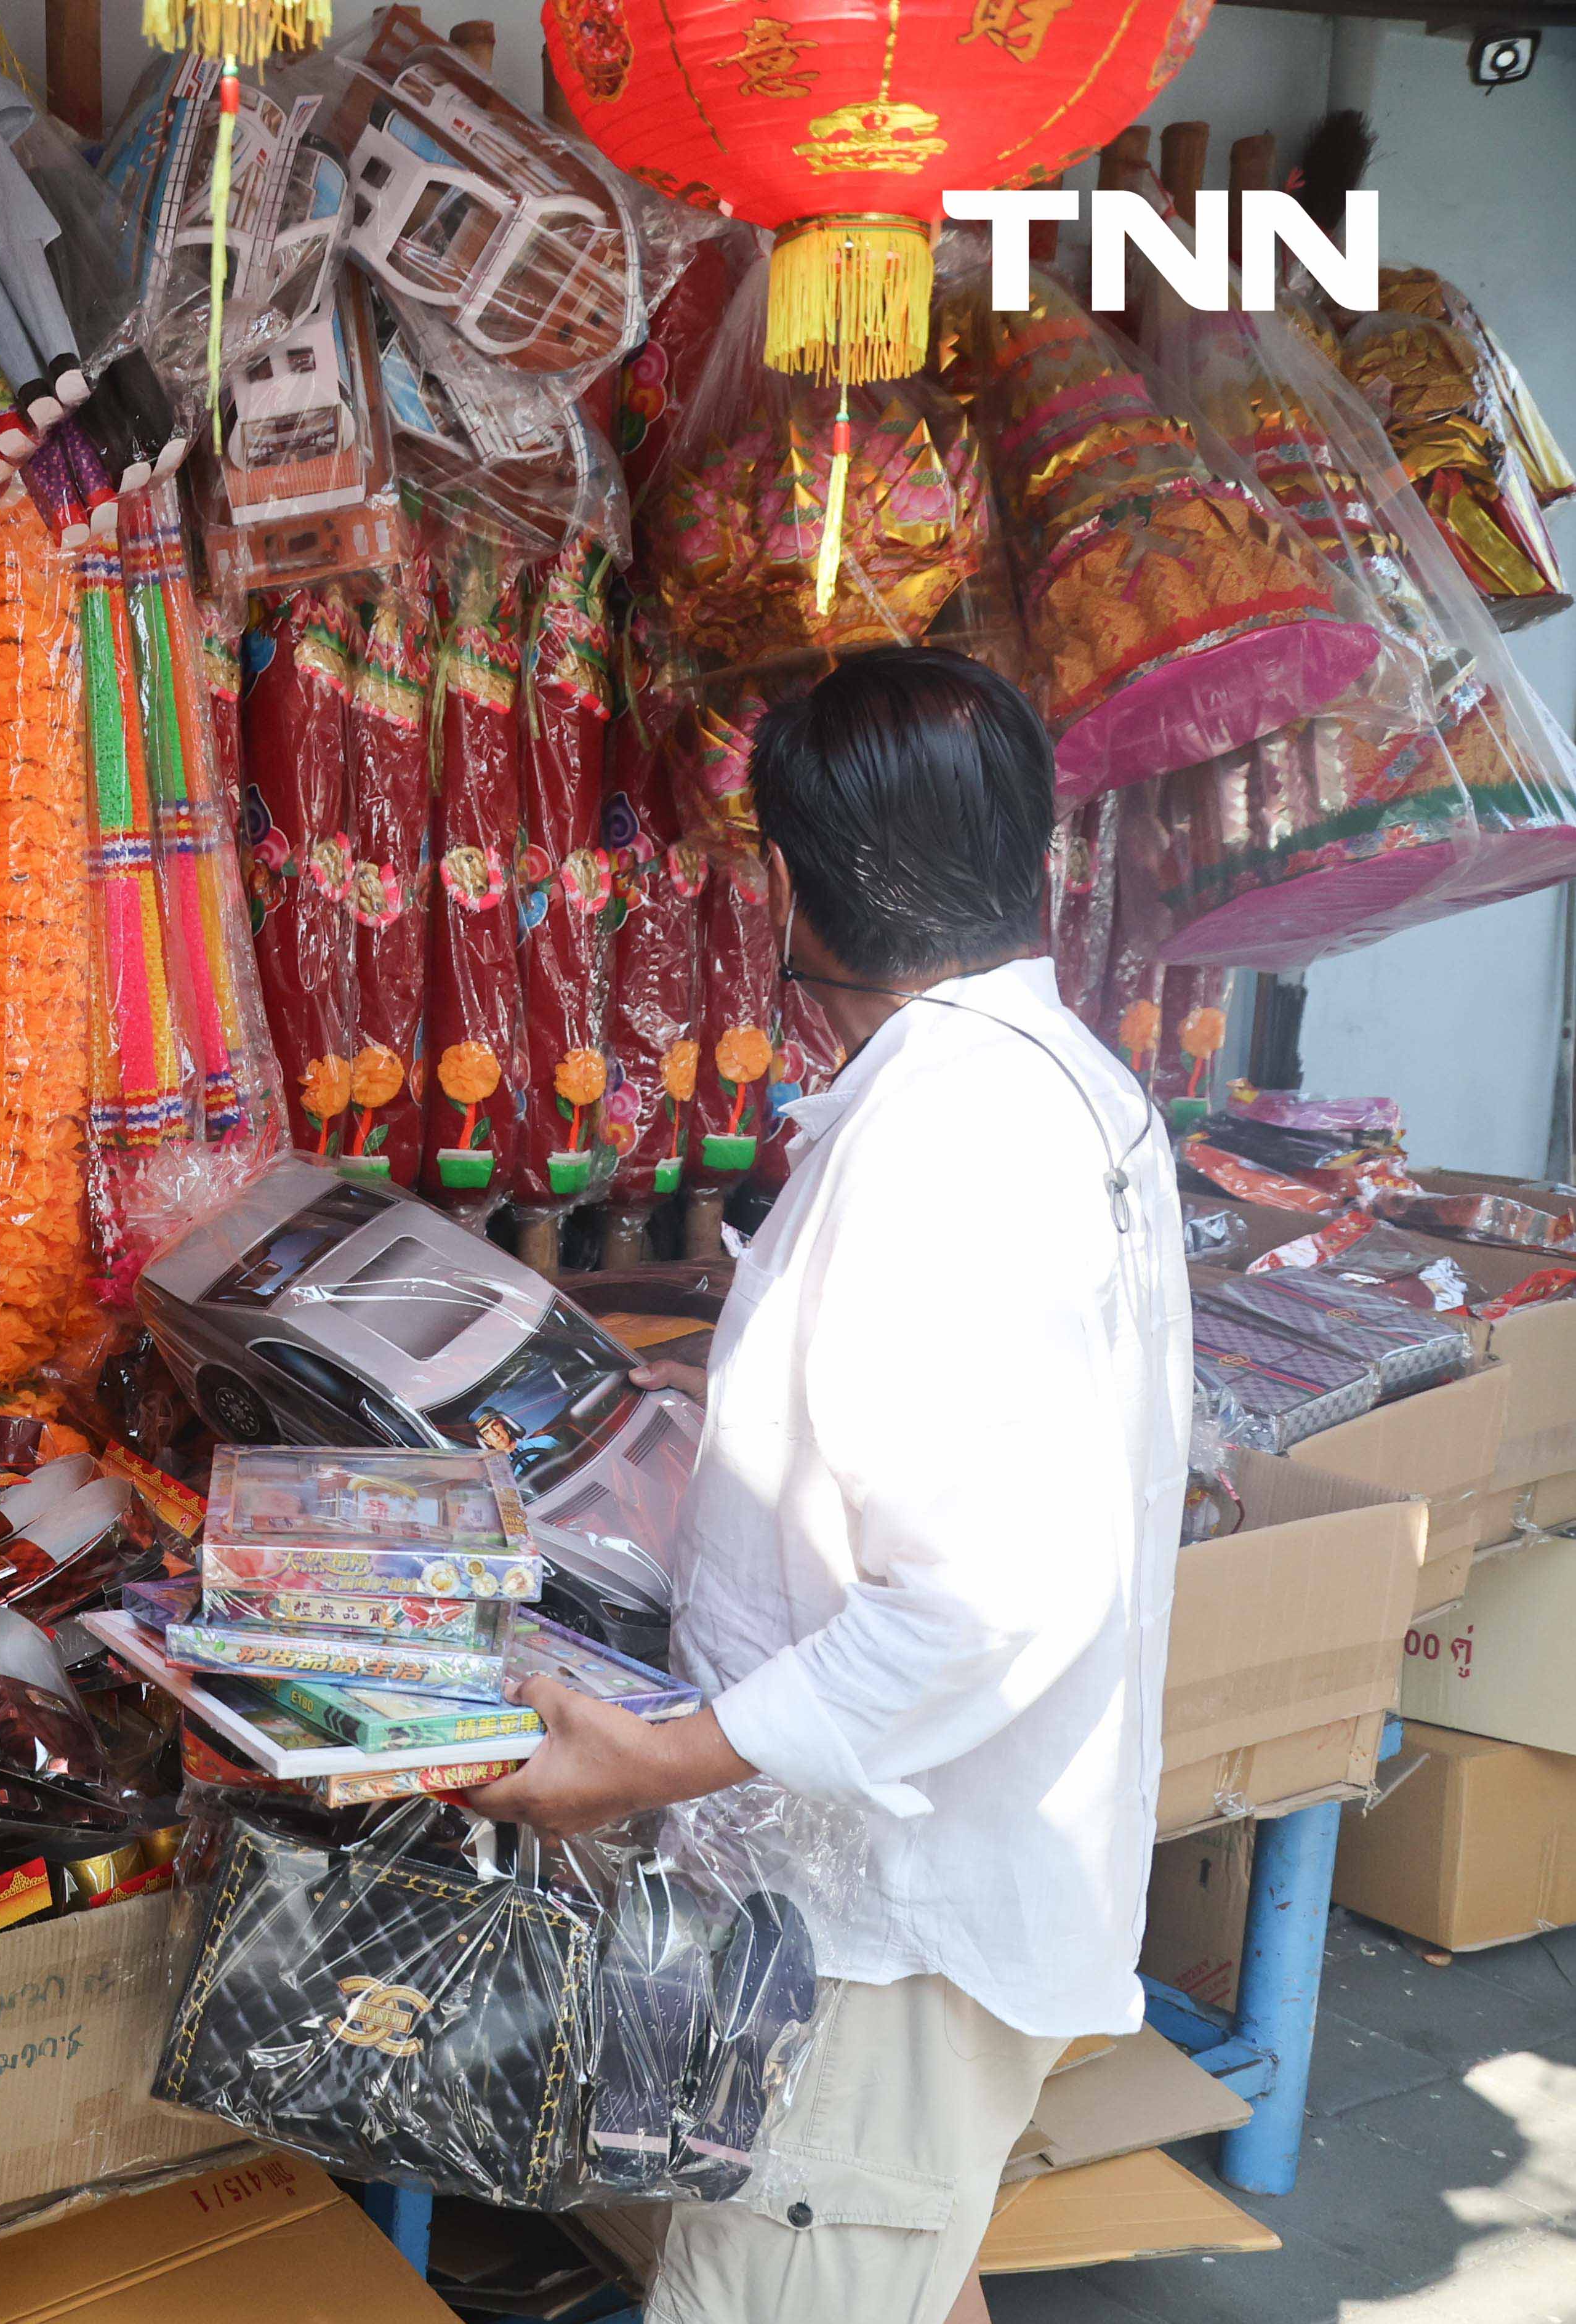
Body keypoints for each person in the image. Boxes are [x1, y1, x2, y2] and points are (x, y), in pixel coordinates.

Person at [466, 648, 1190, 2324]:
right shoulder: (1056, 1089)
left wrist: (651, 1763)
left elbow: (981, 1603)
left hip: (885, 1946)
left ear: (784, 885)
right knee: (902, 2278)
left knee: (816, 2268)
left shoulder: (950, 1142)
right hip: (921, 1916)